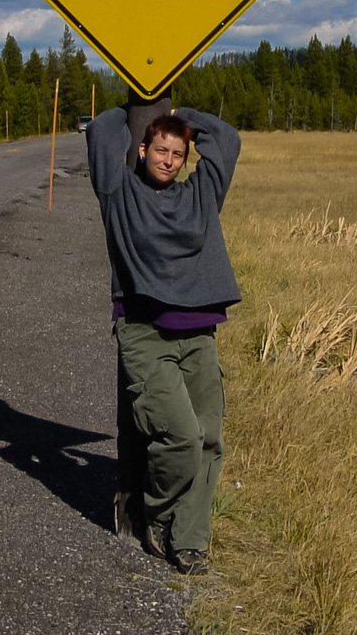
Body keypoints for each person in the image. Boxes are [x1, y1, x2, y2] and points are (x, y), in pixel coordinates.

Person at [86, 104, 241, 576]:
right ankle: (156, 510)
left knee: (210, 439)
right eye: (160, 149)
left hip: (198, 332)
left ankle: (189, 541)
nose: (169, 159)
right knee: (182, 437)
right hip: (144, 332)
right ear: (142, 149)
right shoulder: (120, 191)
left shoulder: (200, 195)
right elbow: (99, 130)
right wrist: (143, 93)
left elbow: (228, 139)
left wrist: (182, 114)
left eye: (178, 152)